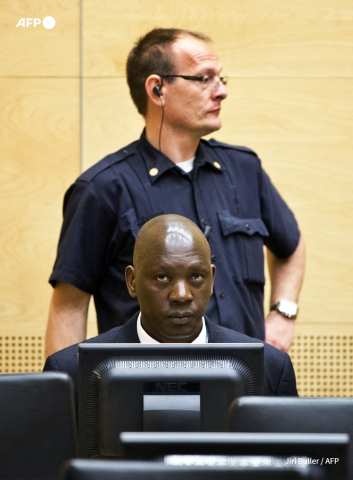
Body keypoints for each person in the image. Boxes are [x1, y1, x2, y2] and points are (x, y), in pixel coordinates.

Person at [45, 28, 305, 358]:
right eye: (204, 78)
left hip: (245, 387)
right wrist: (70, 401)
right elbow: (69, 307)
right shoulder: (103, 188)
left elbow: (292, 246)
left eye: (221, 78)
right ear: (157, 89)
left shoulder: (244, 169)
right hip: (143, 394)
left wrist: (283, 314)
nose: (221, 91)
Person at [44, 214, 298, 398]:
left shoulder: (271, 370)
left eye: (196, 277)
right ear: (132, 282)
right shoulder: (70, 373)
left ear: (211, 280)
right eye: (162, 277)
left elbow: (290, 467)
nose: (182, 295)